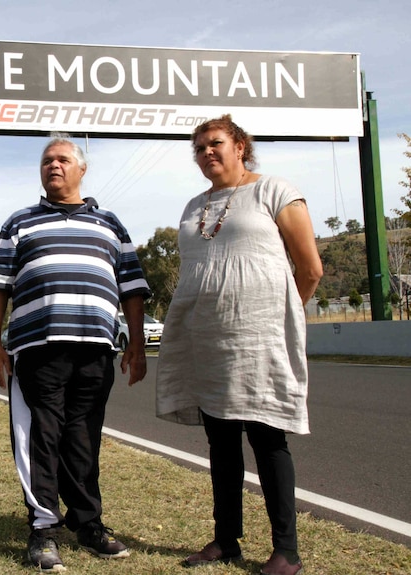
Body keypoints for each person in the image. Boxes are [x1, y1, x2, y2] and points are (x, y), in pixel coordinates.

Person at [155, 115, 323, 575]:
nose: (207, 152)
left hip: (259, 338)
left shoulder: (274, 190)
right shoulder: (193, 205)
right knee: (221, 442)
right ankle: (226, 540)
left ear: (240, 145)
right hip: (207, 337)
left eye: (215, 143)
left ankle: (286, 550)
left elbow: (309, 269)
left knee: (268, 438)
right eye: (200, 148)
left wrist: (277, 317)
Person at [0, 134, 152, 572]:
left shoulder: (111, 224)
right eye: (46, 161)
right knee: (42, 437)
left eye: (61, 159)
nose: (53, 166)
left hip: (95, 347)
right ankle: (42, 531)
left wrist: (135, 342)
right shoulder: (19, 222)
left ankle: (88, 524)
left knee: (83, 438)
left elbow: (132, 288)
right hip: (38, 348)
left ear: (81, 169)